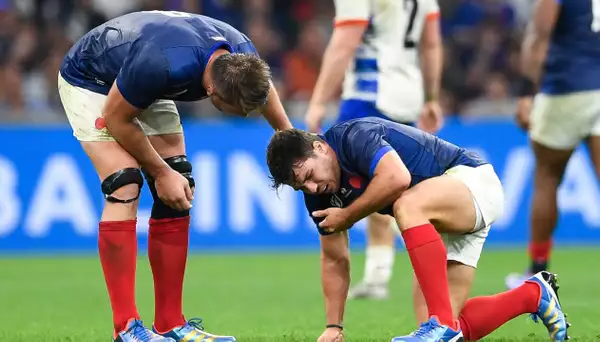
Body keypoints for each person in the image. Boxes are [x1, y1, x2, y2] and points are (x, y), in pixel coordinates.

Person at [58, 10, 292, 342]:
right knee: (124, 183)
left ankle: (170, 323)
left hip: (138, 75)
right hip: (92, 78)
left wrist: (289, 138)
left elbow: (263, 91)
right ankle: (125, 328)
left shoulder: (243, 58)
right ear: (212, 90)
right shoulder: (163, 64)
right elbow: (115, 117)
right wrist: (158, 170)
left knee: (179, 186)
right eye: (236, 109)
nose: (243, 115)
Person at [265, 118, 569, 342]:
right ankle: (533, 295)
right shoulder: (317, 195)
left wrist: (347, 215)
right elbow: (334, 258)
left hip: (470, 183)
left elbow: (397, 178)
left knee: (406, 206)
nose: (311, 186)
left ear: (320, 147)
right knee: (451, 328)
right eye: (300, 186)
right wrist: (334, 326)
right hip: (439, 215)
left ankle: (441, 324)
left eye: (308, 175)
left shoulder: (353, 137)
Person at [304, 0, 444, 300]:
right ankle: (379, 274)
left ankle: (353, 277)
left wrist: (318, 101)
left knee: (355, 184)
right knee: (390, 186)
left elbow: (344, 42)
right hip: (408, 94)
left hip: (369, 94)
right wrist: (431, 97)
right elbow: (431, 44)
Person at [507, 0, 600, 289]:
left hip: (565, 89)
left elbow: (539, 33)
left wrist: (525, 93)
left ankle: (537, 270)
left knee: (547, 178)